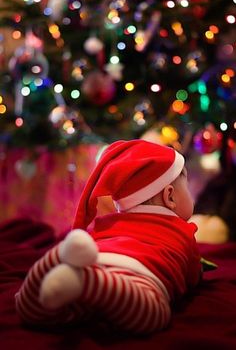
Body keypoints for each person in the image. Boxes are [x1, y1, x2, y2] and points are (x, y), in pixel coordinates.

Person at [15, 139, 201, 335]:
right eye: (186, 187)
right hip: (140, 276)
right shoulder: (183, 231)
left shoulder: (108, 222)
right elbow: (193, 277)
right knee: (155, 314)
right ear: (169, 196)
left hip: (98, 260)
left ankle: (56, 261)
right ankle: (89, 281)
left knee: (42, 313)